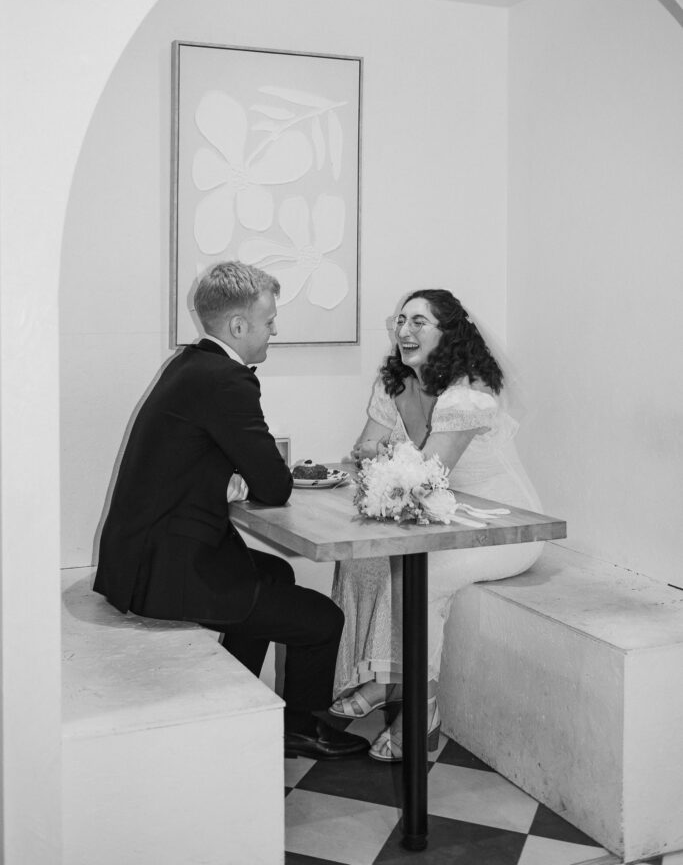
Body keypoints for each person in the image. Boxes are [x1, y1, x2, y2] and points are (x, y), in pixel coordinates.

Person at [94, 261, 368, 760]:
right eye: (269, 321)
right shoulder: (226, 380)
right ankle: (300, 728)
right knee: (323, 619)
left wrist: (231, 479)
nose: (275, 330)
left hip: (144, 556)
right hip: (168, 572)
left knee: (279, 573)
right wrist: (245, 478)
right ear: (238, 327)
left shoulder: (189, 365)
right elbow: (275, 484)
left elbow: (212, 464)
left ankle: (239, 701)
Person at [330, 289, 543, 762]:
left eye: (419, 322)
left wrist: (383, 462)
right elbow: (366, 450)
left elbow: (429, 475)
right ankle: (386, 680)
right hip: (443, 516)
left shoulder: (466, 395)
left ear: (448, 332)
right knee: (361, 560)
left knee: (422, 579)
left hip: (504, 527)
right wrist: (377, 462)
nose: (404, 331)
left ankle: (420, 713)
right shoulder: (394, 386)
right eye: (401, 320)